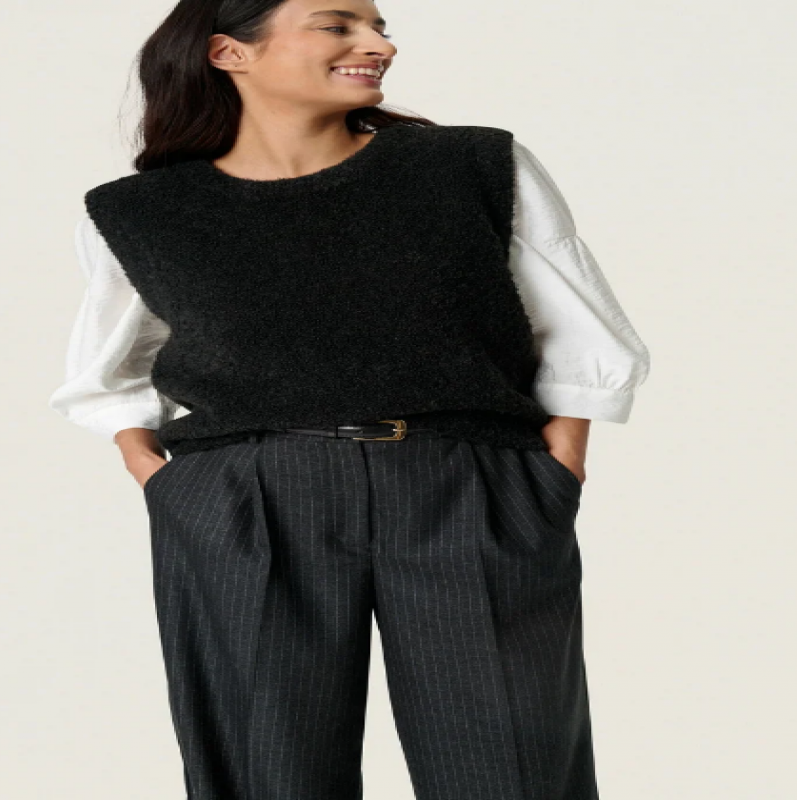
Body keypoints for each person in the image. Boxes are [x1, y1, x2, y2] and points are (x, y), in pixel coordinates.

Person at [49, 1, 651, 797]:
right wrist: (159, 477)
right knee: (266, 774)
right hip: (247, 500)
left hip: (465, 484)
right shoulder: (142, 212)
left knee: (511, 771)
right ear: (230, 53)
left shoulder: (468, 166)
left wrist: (557, 465)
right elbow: (110, 371)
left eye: (379, 26)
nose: (378, 44)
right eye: (338, 25)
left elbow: (580, 330)